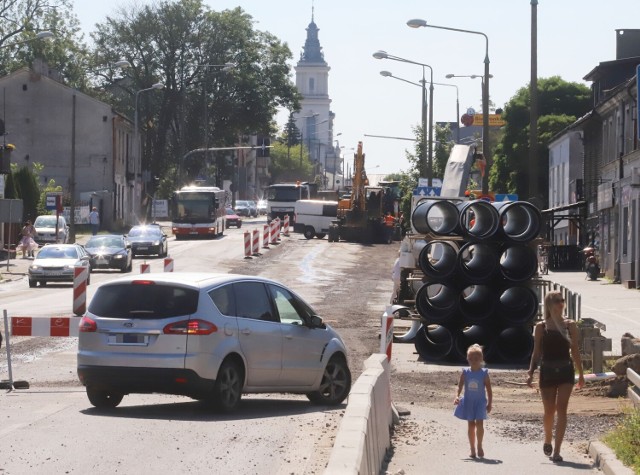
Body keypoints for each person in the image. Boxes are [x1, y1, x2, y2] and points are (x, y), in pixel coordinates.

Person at [526, 291, 584, 463]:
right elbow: (536, 352)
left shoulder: (570, 325)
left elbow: (575, 351)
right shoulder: (541, 327)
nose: (561, 303)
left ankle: (557, 450)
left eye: (562, 300)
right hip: (547, 371)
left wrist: (581, 374)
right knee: (549, 411)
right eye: (557, 301)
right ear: (550, 304)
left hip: (566, 370)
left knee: (562, 410)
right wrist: (530, 372)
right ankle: (547, 439)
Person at [454, 344, 493, 459]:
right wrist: (456, 396)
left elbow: (489, 390)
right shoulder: (465, 372)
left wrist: (489, 403)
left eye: (476, 359)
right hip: (469, 402)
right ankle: (472, 448)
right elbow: (459, 386)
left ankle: (479, 445)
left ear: (481, 359)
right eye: (470, 359)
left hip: (480, 402)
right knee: (471, 425)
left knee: (480, 423)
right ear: (467, 359)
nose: (473, 361)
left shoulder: (484, 373)